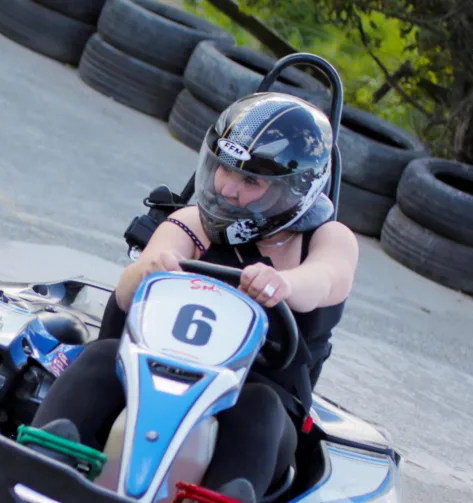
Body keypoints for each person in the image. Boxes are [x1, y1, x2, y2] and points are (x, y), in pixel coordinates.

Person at [28, 92, 359, 502]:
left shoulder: (326, 239)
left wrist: (285, 284)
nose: (229, 190)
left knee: (262, 409)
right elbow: (130, 287)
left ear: (293, 189)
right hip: (152, 375)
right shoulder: (191, 222)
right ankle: (37, 469)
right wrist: (150, 270)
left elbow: (328, 278)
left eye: (251, 180)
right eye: (225, 169)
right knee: (100, 357)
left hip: (251, 398)